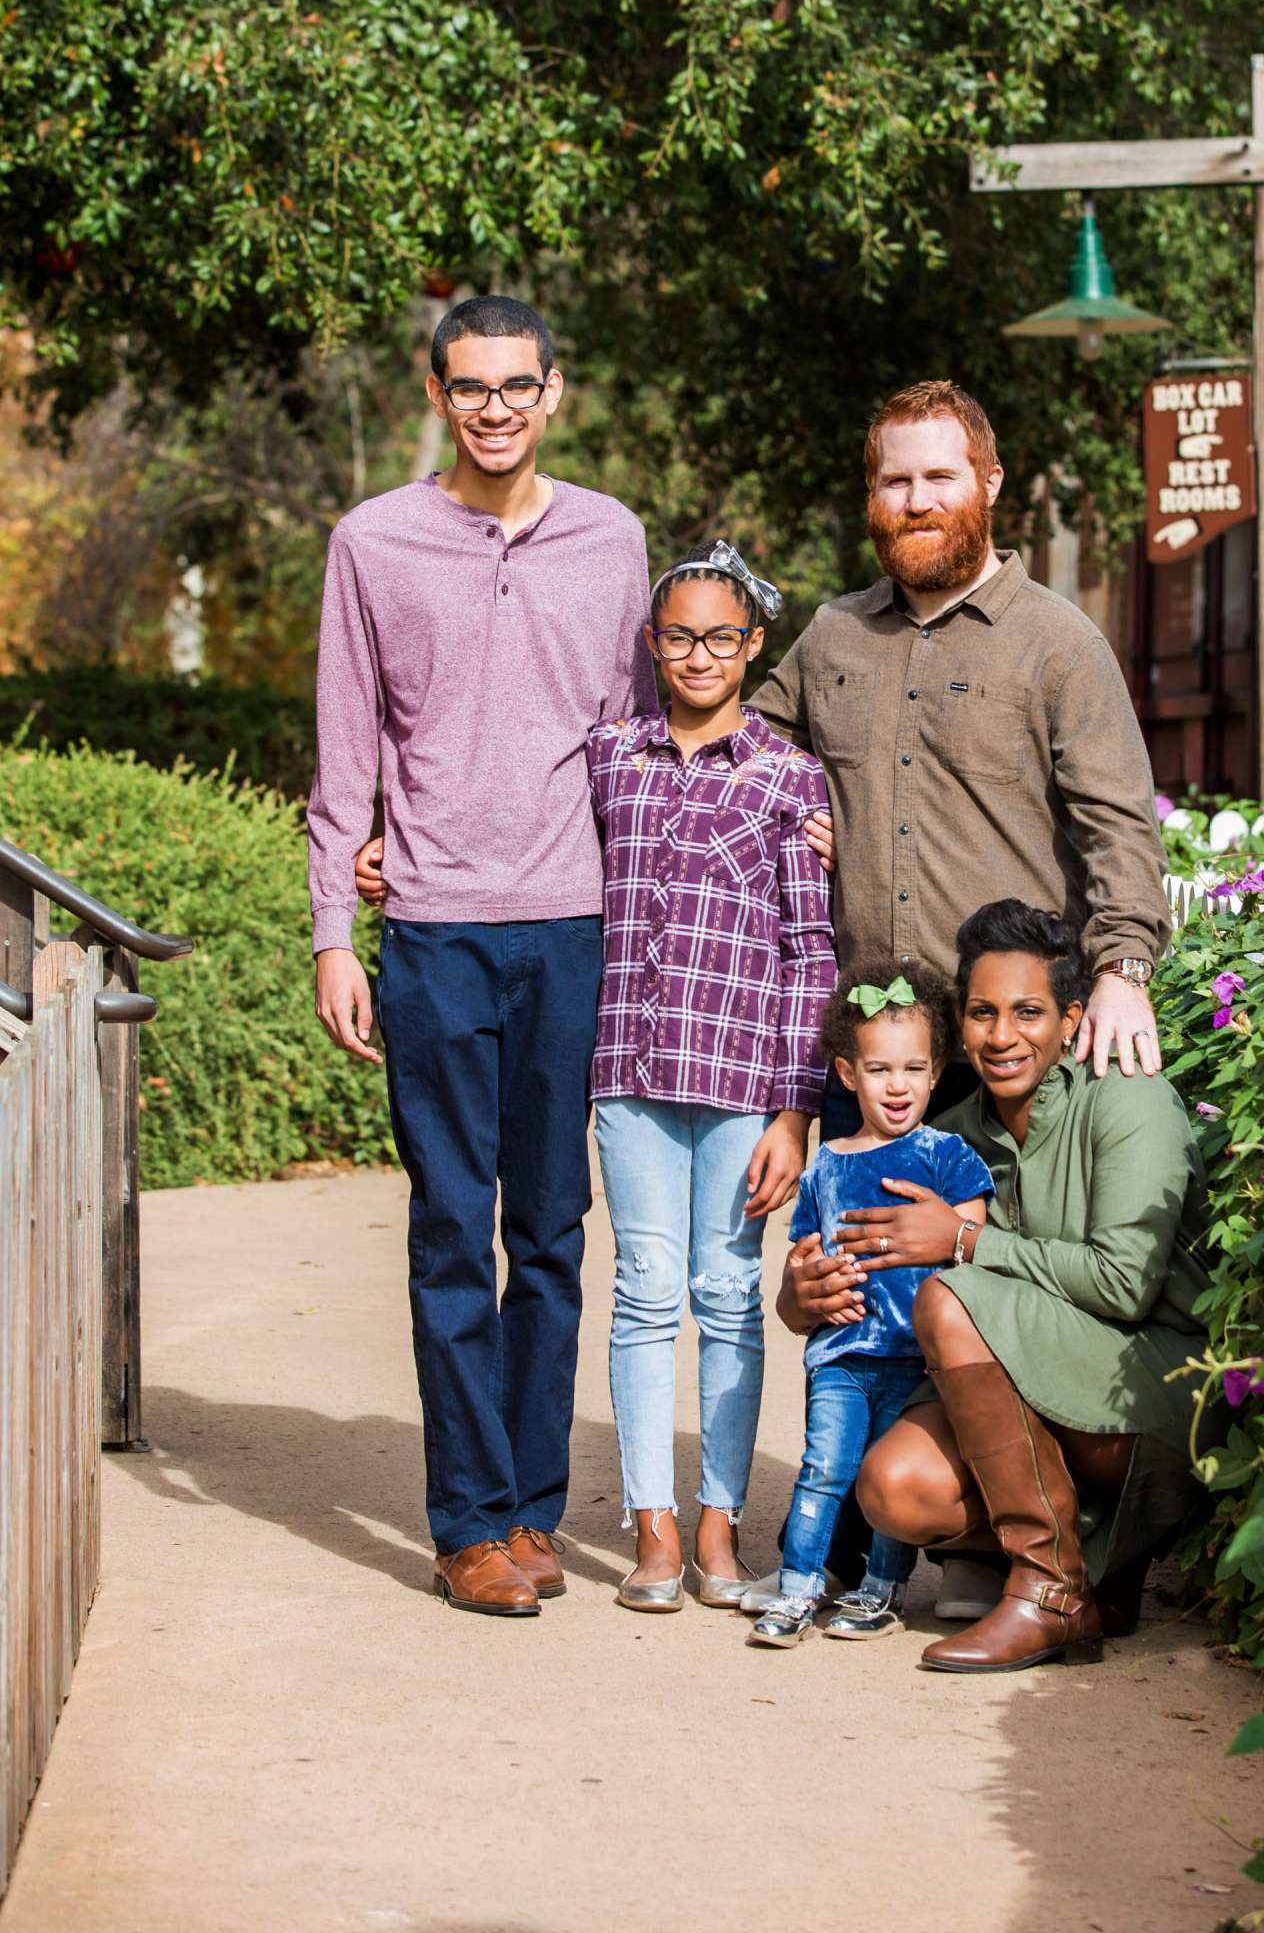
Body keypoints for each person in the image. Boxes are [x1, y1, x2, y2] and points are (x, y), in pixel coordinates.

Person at [753, 376, 1174, 1623]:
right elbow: (725, 750)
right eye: (894, 479)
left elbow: (1115, 826)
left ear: (988, 482)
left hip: (1002, 1048)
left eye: (940, 476)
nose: (916, 499)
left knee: (994, 1290)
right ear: (868, 494)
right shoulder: (830, 640)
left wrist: (1124, 968)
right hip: (878, 1046)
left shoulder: (1057, 641)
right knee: (851, 1282)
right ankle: (853, 1522)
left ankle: (1039, 1537)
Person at [307, 294, 654, 1618]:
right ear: (439, 394)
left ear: (554, 392)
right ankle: (464, 1523)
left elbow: (635, 735)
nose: (496, 408)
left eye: (519, 386)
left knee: (554, 1233)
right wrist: (337, 927)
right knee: (453, 1229)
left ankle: (526, 1505)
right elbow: (346, 752)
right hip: (438, 931)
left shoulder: (610, 539)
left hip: (576, 927)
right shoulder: (374, 543)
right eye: (472, 387)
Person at [832, 899, 1217, 1674]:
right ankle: (1091, 1570)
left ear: (1073, 1019)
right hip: (1039, 1398)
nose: (1002, 1036)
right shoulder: (957, 1139)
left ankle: (1049, 1593)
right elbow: (893, 1293)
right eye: (981, 1014)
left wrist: (967, 1240)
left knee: (956, 1292)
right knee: (895, 1488)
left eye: (1028, 1012)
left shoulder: (1129, 1099)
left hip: (1158, 1400)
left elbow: (1125, 1285)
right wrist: (810, 1293)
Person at [586, 541, 836, 1614]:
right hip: (629, 1071)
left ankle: (721, 1525)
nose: (698, 654)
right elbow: (523, 859)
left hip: (741, 1083)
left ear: (752, 646)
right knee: (644, 1293)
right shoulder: (608, 760)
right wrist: (387, 859)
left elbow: (810, 949)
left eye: (720, 637)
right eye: (678, 635)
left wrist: (796, 1111)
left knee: (729, 1295)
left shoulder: (790, 780)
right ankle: (650, 1527)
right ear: (652, 644)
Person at [746, 966, 993, 1651]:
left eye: (914, 1068)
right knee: (824, 1468)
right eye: (879, 1068)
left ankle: (879, 1590)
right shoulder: (826, 1163)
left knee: (884, 1486)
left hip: (916, 1362)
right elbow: (804, 1254)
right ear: (848, 1074)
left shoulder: (948, 1155)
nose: (898, 1085)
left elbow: (976, 1250)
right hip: (841, 1355)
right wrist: (808, 1275)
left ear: (937, 1072)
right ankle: (799, 1588)